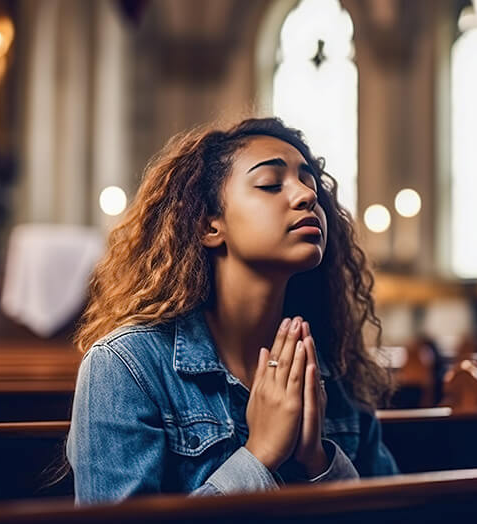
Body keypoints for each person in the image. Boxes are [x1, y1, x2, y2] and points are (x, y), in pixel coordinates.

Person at [67, 117, 399, 506]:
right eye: (270, 184)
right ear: (210, 226)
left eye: (308, 182)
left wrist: (319, 462)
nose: (306, 196)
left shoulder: (335, 368)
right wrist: (259, 456)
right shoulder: (126, 367)